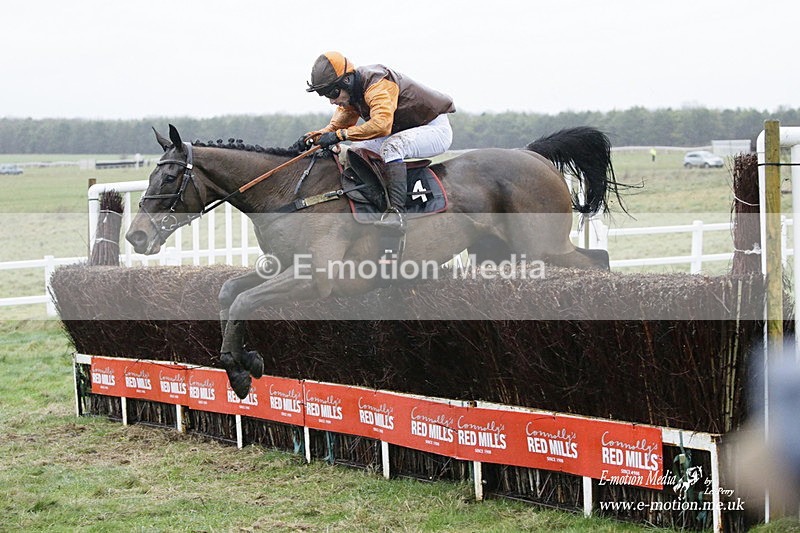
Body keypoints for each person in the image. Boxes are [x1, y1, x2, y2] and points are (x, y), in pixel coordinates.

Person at [300, 51, 455, 230]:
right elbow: (334, 128)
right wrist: (312, 138)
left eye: (333, 93)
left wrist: (340, 136)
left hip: (434, 128)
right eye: (325, 95)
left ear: (347, 81)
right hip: (405, 129)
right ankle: (376, 200)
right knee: (356, 150)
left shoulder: (377, 83)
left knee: (392, 147)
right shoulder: (351, 94)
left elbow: (382, 126)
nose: (332, 101)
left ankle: (396, 212)